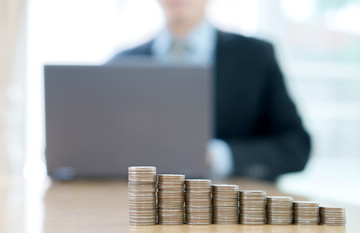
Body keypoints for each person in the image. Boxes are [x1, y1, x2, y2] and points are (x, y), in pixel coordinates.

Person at [108, 0, 311, 181]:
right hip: (135, 204)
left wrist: (217, 156)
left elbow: (295, 146)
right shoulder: (121, 63)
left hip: (233, 210)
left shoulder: (256, 57)